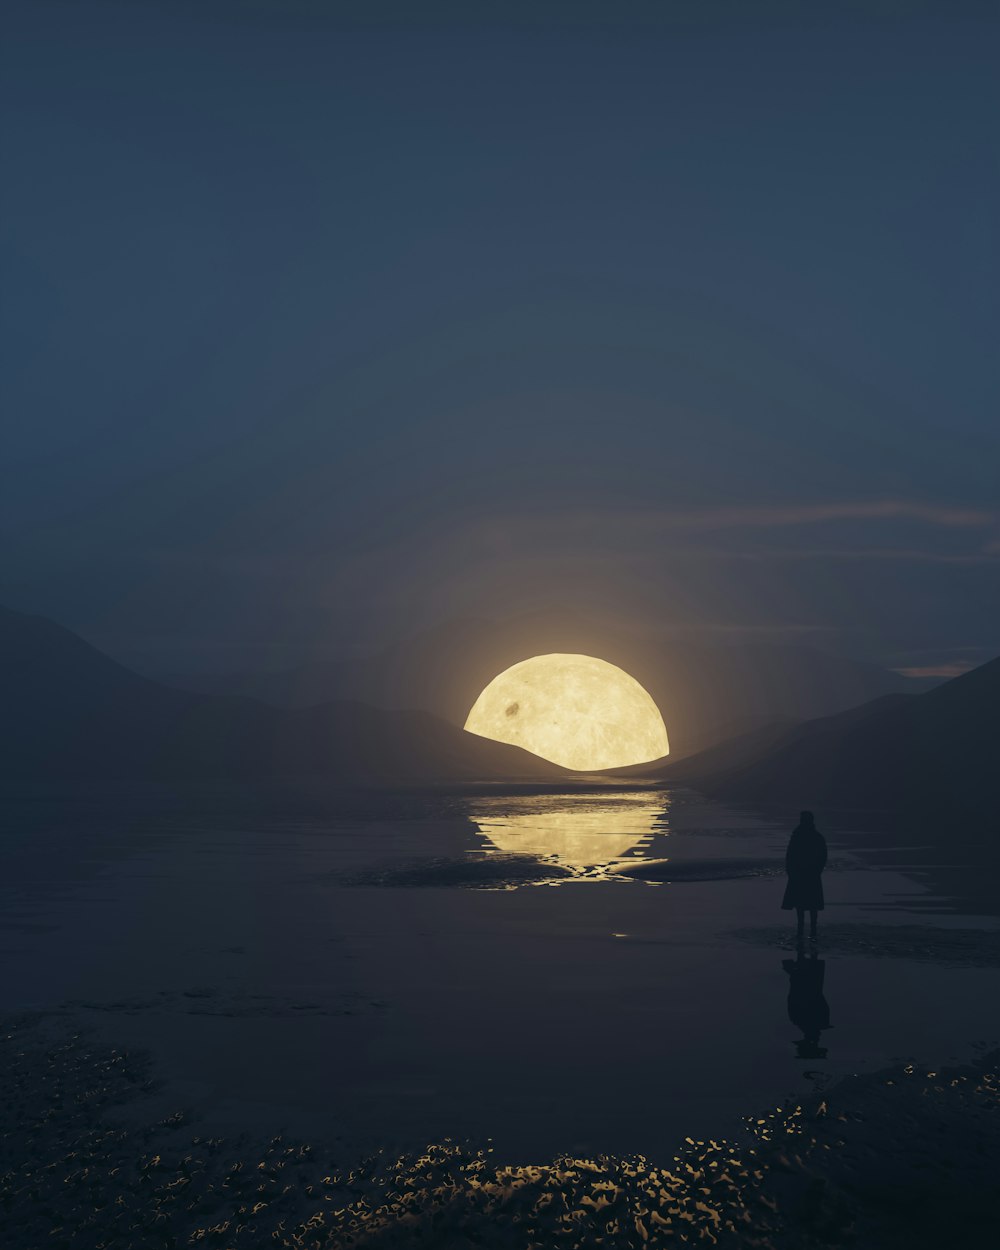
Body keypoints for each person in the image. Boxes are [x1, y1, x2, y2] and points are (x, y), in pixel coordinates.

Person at [781, 810, 827, 941]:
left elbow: (790, 856)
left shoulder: (799, 836)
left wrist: (791, 871)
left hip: (805, 874)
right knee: (807, 904)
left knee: (804, 904)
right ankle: (810, 929)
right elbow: (790, 856)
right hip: (806, 874)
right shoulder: (813, 837)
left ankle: (806, 928)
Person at [782, 950, 831, 1059]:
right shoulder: (798, 1020)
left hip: (807, 982)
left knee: (806, 952)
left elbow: (793, 997)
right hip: (807, 983)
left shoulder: (800, 1020)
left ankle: (806, 948)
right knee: (807, 952)